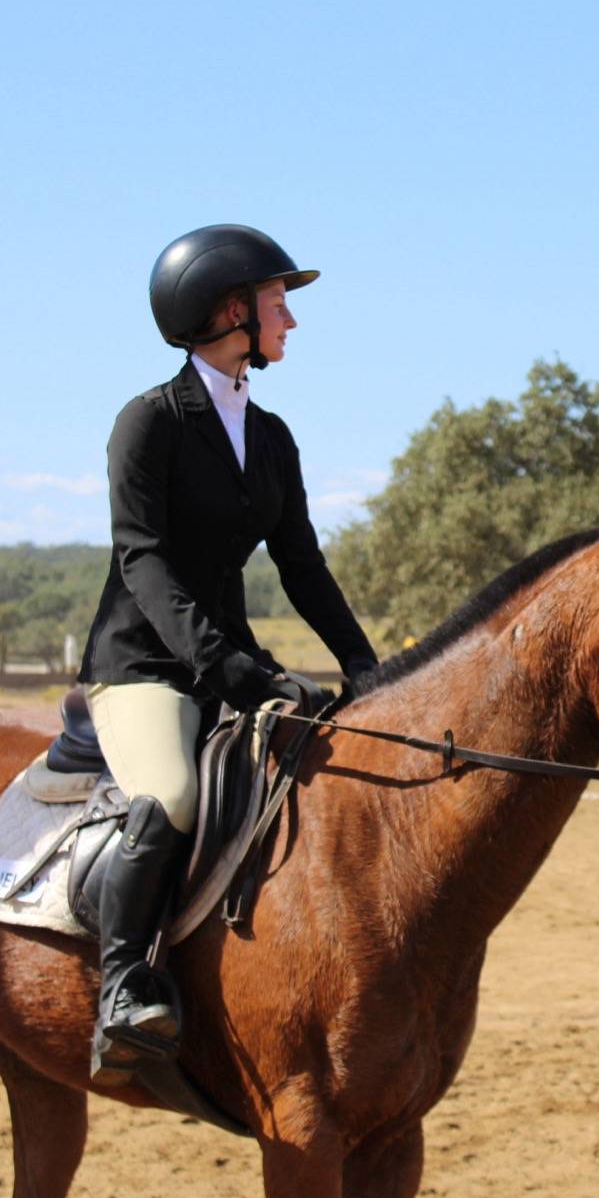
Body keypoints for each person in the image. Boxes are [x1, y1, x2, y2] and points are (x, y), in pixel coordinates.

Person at [75, 224, 381, 1084]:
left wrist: (365, 664)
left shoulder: (271, 435)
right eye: (279, 302)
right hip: (143, 664)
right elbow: (143, 561)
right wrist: (224, 665)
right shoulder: (148, 422)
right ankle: (123, 985)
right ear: (228, 311)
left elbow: (302, 566)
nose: (292, 320)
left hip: (231, 662)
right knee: (172, 793)